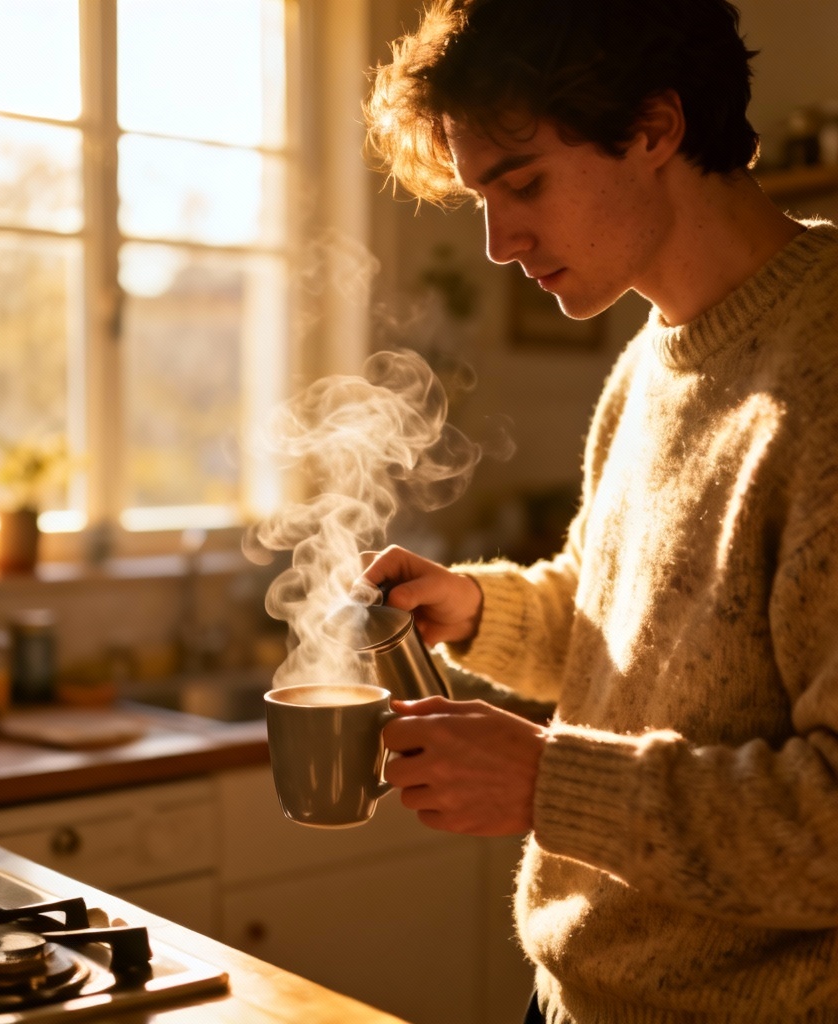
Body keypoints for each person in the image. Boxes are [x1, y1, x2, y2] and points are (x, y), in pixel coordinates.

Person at [360, 1, 838, 1021]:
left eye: (521, 182)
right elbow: (624, 628)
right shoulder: (644, 367)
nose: (497, 241)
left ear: (656, 128)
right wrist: (476, 610)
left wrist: (548, 786)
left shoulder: (827, 363)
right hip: (575, 997)